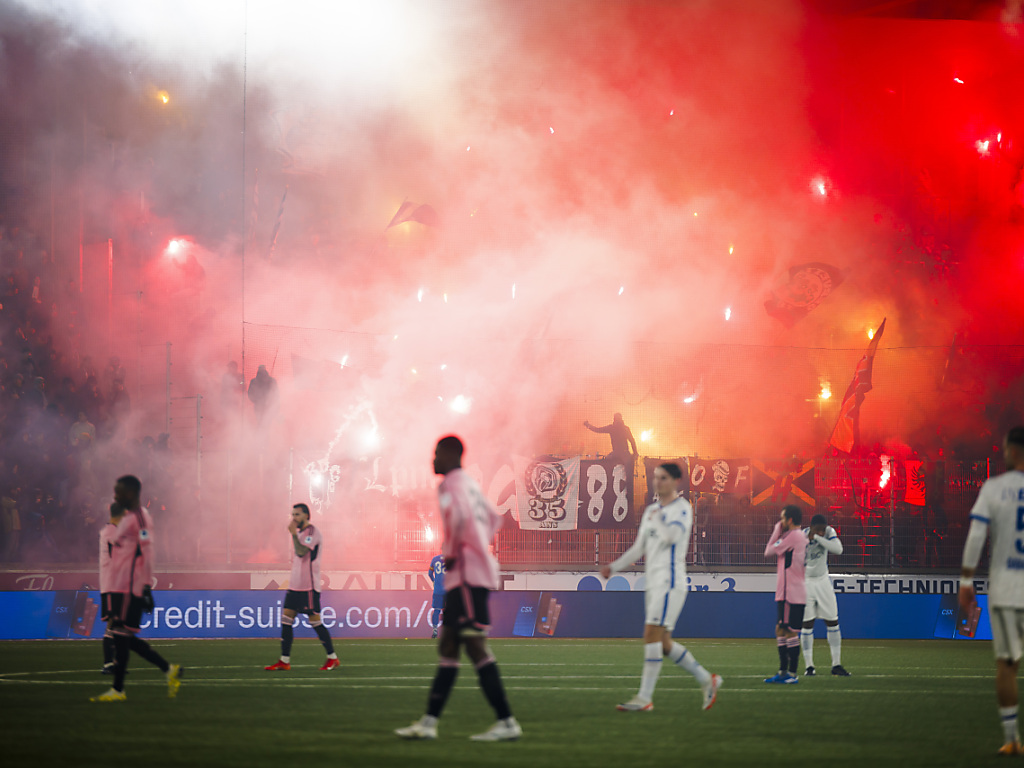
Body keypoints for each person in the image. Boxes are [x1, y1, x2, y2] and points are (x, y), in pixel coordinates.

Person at [395, 435, 521, 742]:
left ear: (451, 455)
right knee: (449, 646)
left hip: (466, 577)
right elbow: (493, 519)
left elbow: (460, 519)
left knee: (475, 647)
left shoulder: (449, 485)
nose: (433, 459)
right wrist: (479, 549)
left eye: (437, 453)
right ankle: (428, 723)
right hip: (471, 573)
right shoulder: (470, 484)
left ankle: (506, 722)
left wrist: (454, 553)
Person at [599, 462, 722, 712]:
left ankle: (645, 698)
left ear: (675, 481)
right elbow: (639, 547)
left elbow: (671, 538)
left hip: (670, 581)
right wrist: (614, 567)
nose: (657, 482)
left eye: (663, 478)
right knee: (663, 642)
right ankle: (706, 679)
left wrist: (659, 520)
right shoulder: (651, 510)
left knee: (651, 634)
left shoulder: (682, 508)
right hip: (653, 582)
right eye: (656, 477)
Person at [959, 426, 1024, 756]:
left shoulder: (995, 488)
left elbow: (976, 536)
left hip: (1007, 588)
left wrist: (966, 580)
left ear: (1012, 450)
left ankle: (1012, 740)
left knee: (1007, 665)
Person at [90, 475, 183, 702]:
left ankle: (120, 689)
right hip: (120, 585)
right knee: (122, 636)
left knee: (121, 634)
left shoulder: (140, 519)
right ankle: (166, 670)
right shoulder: (130, 518)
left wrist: (146, 587)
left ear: (130, 493)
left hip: (130, 587)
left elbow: (147, 553)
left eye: (119, 491)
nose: (115, 496)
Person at [265, 503, 339, 671]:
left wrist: (292, 534)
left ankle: (332, 657)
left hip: (308, 587)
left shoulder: (312, 532)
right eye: (293, 515)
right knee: (286, 620)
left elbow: (301, 552)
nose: (294, 518)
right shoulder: (300, 533)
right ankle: (284, 660)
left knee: (315, 622)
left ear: (306, 515)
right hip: (295, 586)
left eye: (297, 514)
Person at [799, 513, 851, 677]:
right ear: (811, 527)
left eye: (823, 529)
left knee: (833, 621)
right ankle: (809, 667)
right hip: (806, 583)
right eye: (818, 530)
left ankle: (836, 665)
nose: (822, 532)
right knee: (807, 624)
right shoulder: (800, 536)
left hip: (823, 581)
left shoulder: (829, 532)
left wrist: (818, 537)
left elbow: (838, 549)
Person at [764, 505, 807, 684]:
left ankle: (792, 673)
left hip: (791, 592)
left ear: (789, 520)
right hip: (787, 591)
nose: (780, 522)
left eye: (782, 519)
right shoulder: (797, 536)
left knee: (790, 631)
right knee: (781, 629)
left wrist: (776, 530)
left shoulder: (793, 536)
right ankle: (783, 672)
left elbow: (768, 551)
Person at [99, 502, 123, 674]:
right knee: (112, 624)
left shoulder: (110, 531)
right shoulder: (111, 532)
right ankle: (108, 663)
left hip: (115, 584)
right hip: (112, 585)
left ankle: (115, 662)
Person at [428, 553, 445, 640]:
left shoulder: (435, 559)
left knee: (437, 610)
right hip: (449, 590)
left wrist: (434, 581)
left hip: (438, 590)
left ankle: (435, 630)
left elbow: (430, 573)